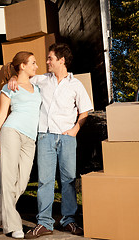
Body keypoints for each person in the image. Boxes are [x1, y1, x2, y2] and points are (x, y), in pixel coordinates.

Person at [8, 43, 93, 239]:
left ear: (61, 61)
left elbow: (85, 111)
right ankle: (44, 223)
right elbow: (21, 75)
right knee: (45, 181)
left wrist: (75, 129)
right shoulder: (41, 80)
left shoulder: (75, 84)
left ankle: (68, 221)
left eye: (50, 59)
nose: (46, 62)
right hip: (45, 136)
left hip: (67, 137)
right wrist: (13, 77)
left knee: (68, 181)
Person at [0, 51, 41, 239]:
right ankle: (12, 226)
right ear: (22, 65)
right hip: (11, 132)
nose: (36, 66)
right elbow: (2, 115)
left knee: (21, 184)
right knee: (8, 180)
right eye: (33, 63)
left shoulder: (37, 85)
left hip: (30, 138)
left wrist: (14, 76)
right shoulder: (9, 88)